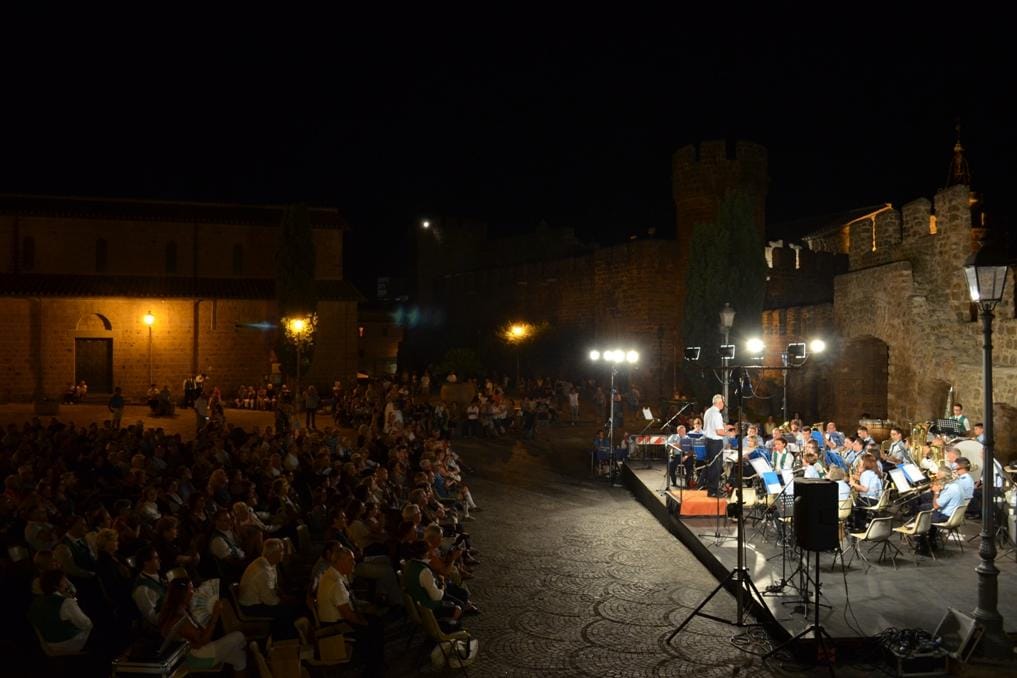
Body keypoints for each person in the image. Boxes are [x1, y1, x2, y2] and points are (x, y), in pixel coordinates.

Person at [159, 578, 248, 674]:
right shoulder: (179, 618)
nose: (194, 592)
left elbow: (194, 637)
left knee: (240, 658)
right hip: (196, 658)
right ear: (182, 594)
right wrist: (215, 615)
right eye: (191, 589)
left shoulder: (171, 609)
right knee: (239, 636)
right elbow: (203, 641)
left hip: (188, 652)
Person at [238, 538, 299, 638]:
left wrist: (284, 597)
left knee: (291, 604)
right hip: (251, 607)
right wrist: (285, 601)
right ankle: (283, 639)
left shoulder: (269, 563)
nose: (283, 553)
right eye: (281, 551)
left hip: (260, 601)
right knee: (287, 611)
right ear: (273, 553)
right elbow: (271, 601)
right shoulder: (263, 571)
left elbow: (274, 588)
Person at [29, 570, 93, 654]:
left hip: (50, 645)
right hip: (70, 643)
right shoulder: (66, 603)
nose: (67, 583)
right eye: (64, 581)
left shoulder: (35, 604)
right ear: (56, 586)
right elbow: (86, 624)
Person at [703, 395, 727, 497]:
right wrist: (729, 433)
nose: (724, 404)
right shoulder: (717, 414)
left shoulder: (708, 411)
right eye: (723, 402)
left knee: (711, 466)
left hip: (708, 441)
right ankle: (713, 491)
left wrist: (725, 427)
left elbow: (711, 427)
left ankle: (710, 488)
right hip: (715, 443)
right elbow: (719, 432)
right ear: (719, 403)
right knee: (716, 467)